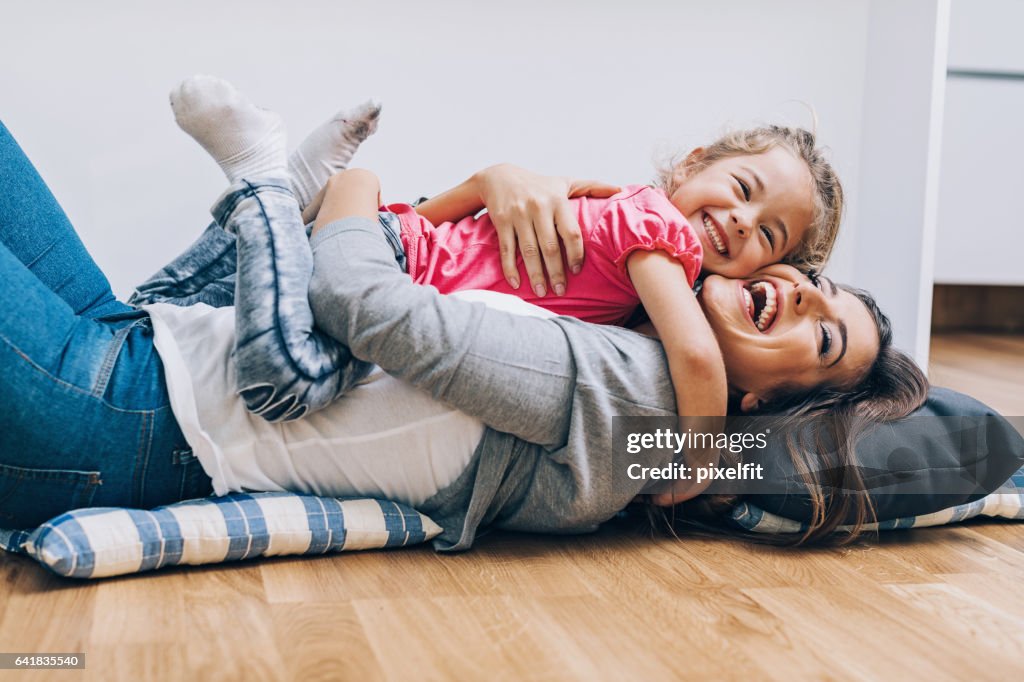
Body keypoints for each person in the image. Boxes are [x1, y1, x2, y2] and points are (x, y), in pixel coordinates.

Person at [0, 104, 924, 547]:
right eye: (808, 280)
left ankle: (276, 183)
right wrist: (499, 185)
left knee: (315, 203)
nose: (796, 289)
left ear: (768, 395)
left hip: (120, 412)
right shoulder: (632, 312)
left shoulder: (641, 402)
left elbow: (361, 300)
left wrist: (364, 190)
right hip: (136, 335)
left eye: (826, 333)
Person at [149, 76, 845, 453]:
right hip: (399, 267)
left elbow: (470, 221)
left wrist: (397, 219)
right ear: (694, 164)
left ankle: (307, 188)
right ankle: (269, 179)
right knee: (283, 381)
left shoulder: (620, 217)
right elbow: (695, 357)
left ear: (768, 266)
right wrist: (695, 460)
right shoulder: (662, 238)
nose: (740, 221)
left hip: (401, 241)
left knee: (163, 306)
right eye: (744, 191)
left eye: (769, 234)